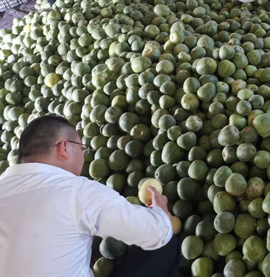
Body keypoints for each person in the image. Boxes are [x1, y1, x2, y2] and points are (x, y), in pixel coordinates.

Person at [0, 115, 180, 277]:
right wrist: (161, 211)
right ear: (64, 147)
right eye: (81, 147)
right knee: (166, 243)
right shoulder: (75, 191)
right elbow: (157, 232)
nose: (83, 156)